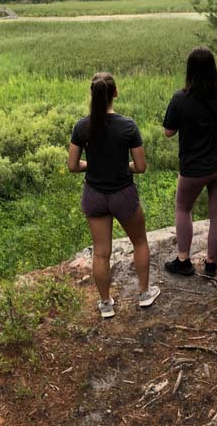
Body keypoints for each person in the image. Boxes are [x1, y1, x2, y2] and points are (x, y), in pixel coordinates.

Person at [68, 72, 161, 318]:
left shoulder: (82, 126)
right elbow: (140, 167)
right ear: (115, 93)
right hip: (123, 194)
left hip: (94, 195)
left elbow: (73, 165)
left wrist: (94, 166)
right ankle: (144, 294)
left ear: (92, 95)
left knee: (101, 252)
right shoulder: (128, 126)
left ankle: (106, 304)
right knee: (139, 242)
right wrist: (121, 167)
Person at [163, 47, 217, 277]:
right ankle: (210, 263)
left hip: (193, 169)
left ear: (190, 70)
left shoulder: (180, 99)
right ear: (213, 70)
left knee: (183, 208)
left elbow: (168, 132)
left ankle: (184, 260)